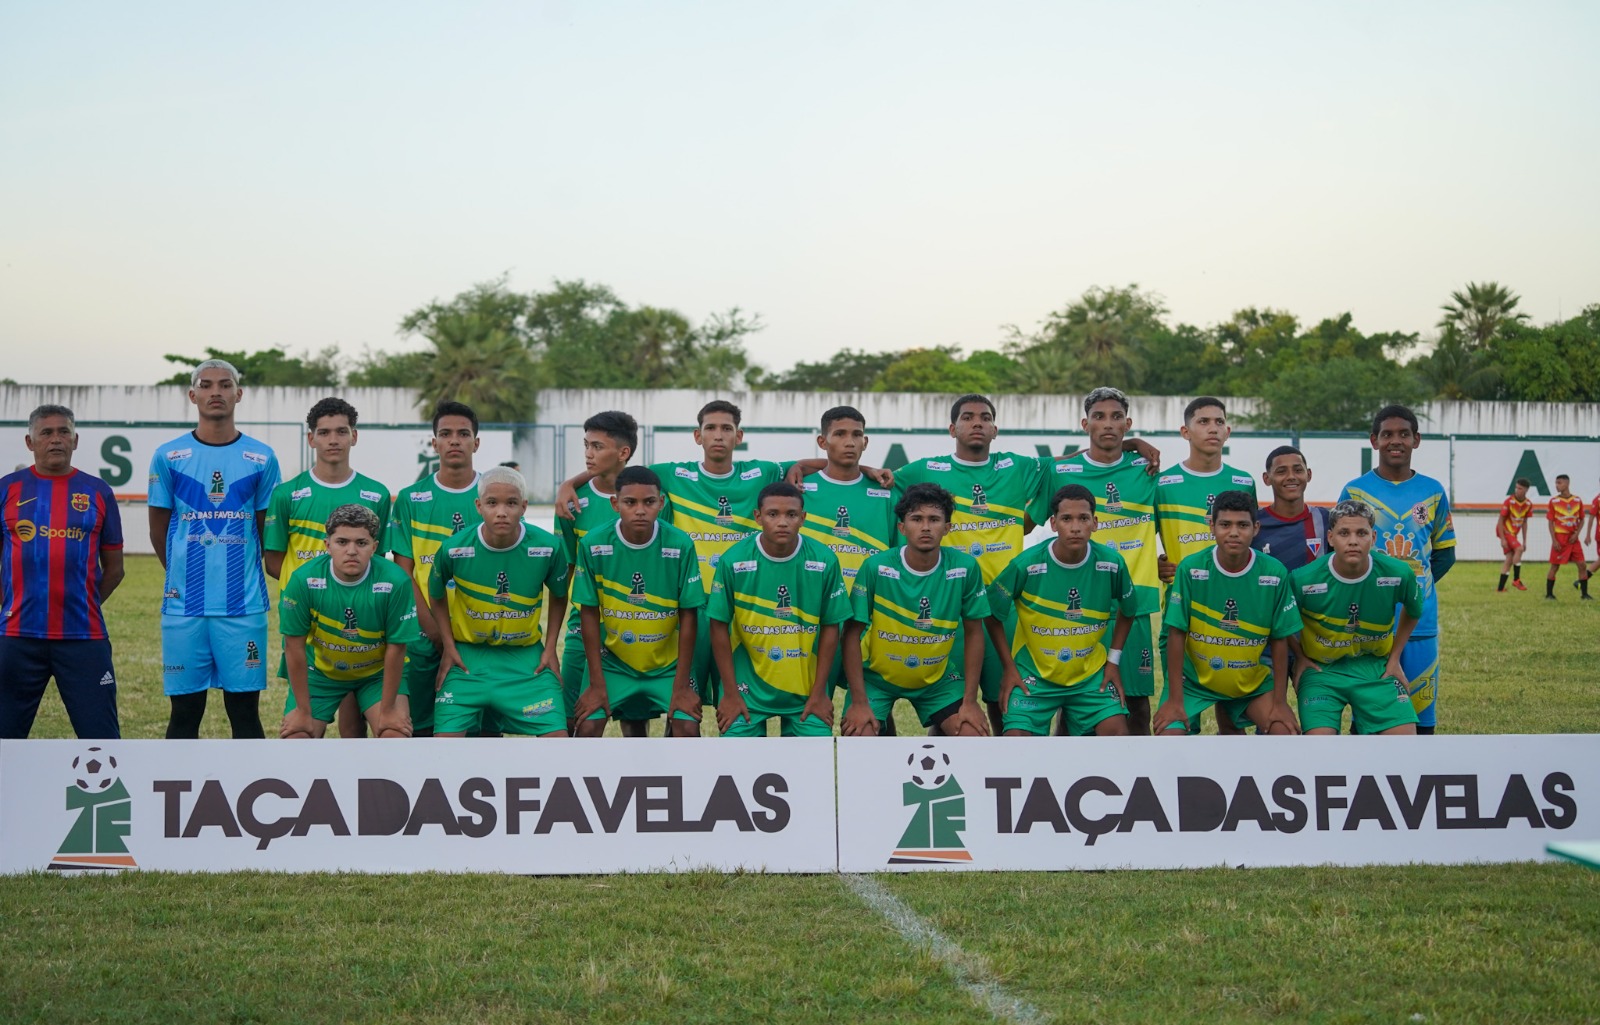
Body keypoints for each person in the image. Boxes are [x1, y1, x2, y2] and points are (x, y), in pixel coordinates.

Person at [556, 401, 787, 719]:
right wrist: (570, 483)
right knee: (663, 704)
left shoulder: (763, 472)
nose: (718, 435)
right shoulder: (670, 474)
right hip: (685, 607)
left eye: (726, 428)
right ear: (697, 435)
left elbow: (820, 465)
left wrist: (868, 470)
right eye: (710, 428)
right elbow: (624, 475)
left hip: (738, 606)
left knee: (730, 704)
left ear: (739, 435)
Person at [889, 394, 1048, 735]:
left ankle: (1006, 775)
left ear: (995, 430)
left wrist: (1028, 520)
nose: (977, 422)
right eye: (968, 417)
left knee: (1002, 698)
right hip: (949, 607)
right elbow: (878, 480)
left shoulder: (1017, 467)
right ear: (952, 428)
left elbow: (1069, 467)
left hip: (1001, 607)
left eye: (986, 417)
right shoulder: (925, 469)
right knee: (950, 706)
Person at [148, 359, 281, 739]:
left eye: (225, 385)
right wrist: (180, 573)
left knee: (245, 713)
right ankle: (175, 795)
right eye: (206, 385)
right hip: (184, 608)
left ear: (239, 394)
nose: (216, 392)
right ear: (193, 395)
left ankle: (254, 793)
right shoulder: (169, 456)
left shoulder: (262, 457)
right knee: (185, 713)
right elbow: (159, 529)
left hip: (243, 608)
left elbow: (263, 531)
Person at [264, 397, 393, 738]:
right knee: (307, 719)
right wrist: (310, 590)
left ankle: (359, 784)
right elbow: (275, 561)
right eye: (323, 432)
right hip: (310, 615)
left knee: (355, 714)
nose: (332, 439)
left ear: (354, 436)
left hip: (362, 614)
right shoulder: (287, 494)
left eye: (341, 431)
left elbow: (379, 560)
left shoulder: (376, 493)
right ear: (311, 439)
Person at [0, 405, 125, 739]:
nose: (56, 439)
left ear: (76, 440)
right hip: (17, 637)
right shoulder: (7, 489)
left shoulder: (98, 492)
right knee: (5, 740)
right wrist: (8, 604)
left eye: (63, 432)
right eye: (46, 433)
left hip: (83, 638)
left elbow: (114, 569)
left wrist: (83, 604)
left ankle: (106, 792)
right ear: (30, 441)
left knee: (102, 741)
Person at [1045, 387, 1161, 734]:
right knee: (1072, 699)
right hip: (1076, 601)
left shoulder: (1147, 470)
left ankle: (1138, 779)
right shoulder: (1062, 471)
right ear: (1085, 423)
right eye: (1099, 417)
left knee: (1137, 703)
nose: (1107, 424)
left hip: (1133, 601)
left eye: (1115, 417)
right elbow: (1030, 518)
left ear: (1128, 423)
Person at [428, 467, 570, 737]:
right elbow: (435, 594)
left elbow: (560, 595)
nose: (502, 511)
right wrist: (448, 645)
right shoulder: (453, 548)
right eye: (492, 503)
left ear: (524, 506)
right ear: (479, 506)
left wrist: (550, 647)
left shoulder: (548, 547)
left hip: (526, 659)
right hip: (468, 659)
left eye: (512, 503)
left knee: (559, 742)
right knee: (443, 749)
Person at [840, 483, 991, 738]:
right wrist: (858, 701)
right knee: (859, 736)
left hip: (937, 681)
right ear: (902, 527)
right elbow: (851, 634)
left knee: (972, 734)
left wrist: (970, 701)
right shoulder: (876, 567)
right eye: (916, 519)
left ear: (947, 527)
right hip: (876, 678)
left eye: (934, 519)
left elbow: (976, 632)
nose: (925, 527)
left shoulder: (965, 567)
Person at [1339, 405, 1455, 734]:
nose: (1396, 440)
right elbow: (1339, 554)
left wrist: (1413, 589)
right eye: (1387, 434)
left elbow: (1445, 555)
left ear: (1416, 440)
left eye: (1404, 434)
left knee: (1421, 718)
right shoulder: (1355, 491)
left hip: (1420, 623)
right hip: (1368, 622)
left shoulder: (1432, 492)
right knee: (1369, 718)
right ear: (1374, 440)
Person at [985, 484, 1135, 737]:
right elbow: (991, 613)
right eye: (1066, 519)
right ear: (1053, 523)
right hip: (1034, 676)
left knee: (1118, 735)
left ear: (1095, 523)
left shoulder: (1111, 563)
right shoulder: (1026, 564)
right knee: (1015, 742)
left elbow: (1128, 610)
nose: (1075, 527)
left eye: (1083, 518)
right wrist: (1009, 667)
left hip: (1090, 677)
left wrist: (1113, 663)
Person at [569, 466, 705, 737]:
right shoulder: (594, 543)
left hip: (667, 665)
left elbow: (689, 615)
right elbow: (588, 613)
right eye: (630, 502)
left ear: (661, 503)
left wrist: (681, 686)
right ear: (615, 503)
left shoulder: (680, 544)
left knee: (687, 726)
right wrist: (596, 684)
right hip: (613, 662)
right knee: (587, 726)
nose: (640, 510)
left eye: (649, 502)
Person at [707, 482, 851, 737]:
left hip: (806, 692)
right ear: (758, 517)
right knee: (737, 762)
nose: (782, 522)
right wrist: (729, 693)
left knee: (811, 764)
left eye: (791, 515)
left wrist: (820, 693)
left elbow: (832, 627)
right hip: (745, 689)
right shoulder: (733, 559)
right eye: (773, 514)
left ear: (803, 518)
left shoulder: (824, 559)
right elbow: (718, 626)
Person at [1153, 490, 1300, 736]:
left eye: (1242, 525)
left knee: (1283, 732)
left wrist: (1280, 702)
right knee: (1169, 735)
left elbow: (1279, 638)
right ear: (1212, 526)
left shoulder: (1274, 573)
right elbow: (1177, 633)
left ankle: (1233, 723)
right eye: (1225, 524)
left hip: (1250, 682)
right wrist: (1174, 700)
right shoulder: (1191, 568)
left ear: (1255, 528)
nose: (1233, 532)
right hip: (1193, 682)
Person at [1154, 396, 1258, 735]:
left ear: (1227, 431)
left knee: (1233, 714)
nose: (1212, 428)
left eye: (1218, 422)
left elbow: (1250, 542)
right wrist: (1155, 565)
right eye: (1203, 422)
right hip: (1182, 606)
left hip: (1235, 606)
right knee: (1179, 717)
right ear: (1185, 431)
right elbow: (1142, 537)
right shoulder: (1164, 483)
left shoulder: (1243, 482)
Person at [279, 505, 417, 740]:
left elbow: (397, 647)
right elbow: (293, 646)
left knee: (394, 735)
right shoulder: (303, 580)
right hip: (320, 673)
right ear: (327, 545)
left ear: (374, 547)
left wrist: (388, 710)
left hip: (377, 674)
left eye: (361, 543)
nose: (351, 551)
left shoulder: (395, 581)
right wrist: (302, 710)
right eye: (342, 542)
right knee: (297, 738)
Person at [389, 401, 485, 736]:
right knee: (421, 728)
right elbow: (403, 570)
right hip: (423, 631)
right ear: (435, 443)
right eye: (446, 434)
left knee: (482, 733)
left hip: (480, 631)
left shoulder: (496, 493)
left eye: (463, 434)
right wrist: (435, 632)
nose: (454, 440)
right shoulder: (411, 498)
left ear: (476, 442)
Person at [1288, 500, 1423, 736]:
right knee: (1319, 749)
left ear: (1374, 537)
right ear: (1330, 538)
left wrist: (1394, 659)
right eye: (1344, 533)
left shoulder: (1398, 573)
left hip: (1375, 668)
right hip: (1323, 671)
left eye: (1361, 533)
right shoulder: (1303, 579)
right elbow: (1282, 620)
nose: (1353, 541)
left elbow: (1414, 611)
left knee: (1404, 744)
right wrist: (1299, 657)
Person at [797, 406, 898, 721]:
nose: (849, 442)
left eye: (856, 435)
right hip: (814, 613)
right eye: (839, 434)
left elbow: (898, 555)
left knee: (875, 702)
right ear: (822, 441)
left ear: (865, 442)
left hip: (869, 616)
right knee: (812, 705)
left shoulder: (886, 491)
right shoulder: (799, 487)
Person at [554, 410, 649, 735]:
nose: (588, 454)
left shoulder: (646, 496)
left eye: (597, 446)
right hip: (583, 628)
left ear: (623, 453)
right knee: (572, 720)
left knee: (634, 722)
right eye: (586, 445)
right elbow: (566, 569)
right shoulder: (572, 502)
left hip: (637, 628)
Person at [1253, 446, 1329, 572]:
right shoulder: (1254, 523)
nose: (1291, 477)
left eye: (1298, 470)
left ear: (1308, 475)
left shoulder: (1324, 519)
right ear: (1267, 479)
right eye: (1281, 471)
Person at [1545, 474, 1592, 600]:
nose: (1557, 485)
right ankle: (1549, 594)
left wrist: (1577, 534)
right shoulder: (1554, 501)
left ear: (1567, 484)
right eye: (1556, 483)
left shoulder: (1577, 500)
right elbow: (1550, 522)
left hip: (1573, 539)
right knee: (1555, 566)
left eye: (1559, 483)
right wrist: (1554, 540)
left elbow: (1582, 519)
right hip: (1560, 538)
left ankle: (1584, 594)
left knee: (1582, 565)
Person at [1496, 478, 1533, 593]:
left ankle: (1500, 589)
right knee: (1519, 548)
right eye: (1516, 487)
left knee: (1509, 559)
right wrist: (1502, 539)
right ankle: (1516, 580)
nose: (1517, 490)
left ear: (1526, 490)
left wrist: (1525, 540)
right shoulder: (1509, 501)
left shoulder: (1528, 504)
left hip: (1512, 534)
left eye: (1520, 488)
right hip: (1504, 531)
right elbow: (1500, 521)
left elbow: (1525, 522)